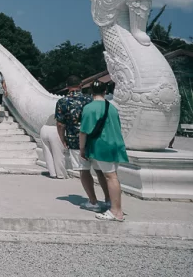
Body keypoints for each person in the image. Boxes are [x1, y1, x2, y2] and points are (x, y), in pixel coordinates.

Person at [56, 75, 106, 213]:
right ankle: (108, 199)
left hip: (74, 140)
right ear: (81, 84)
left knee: (84, 171)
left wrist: (63, 139)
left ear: (67, 86)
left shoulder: (63, 101)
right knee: (100, 171)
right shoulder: (90, 99)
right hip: (94, 139)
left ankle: (93, 201)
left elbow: (60, 124)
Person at [80, 81, 129, 221]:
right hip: (116, 144)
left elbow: (83, 131)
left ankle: (116, 211)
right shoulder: (112, 107)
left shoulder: (89, 108)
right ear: (105, 91)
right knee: (107, 174)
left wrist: (82, 149)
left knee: (111, 177)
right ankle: (111, 202)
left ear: (91, 92)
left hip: (102, 145)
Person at [40, 114, 67, 179]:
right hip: (55, 130)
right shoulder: (68, 113)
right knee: (58, 154)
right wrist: (63, 139)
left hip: (44, 129)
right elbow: (60, 125)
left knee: (47, 153)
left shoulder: (55, 113)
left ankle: (52, 173)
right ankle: (61, 174)